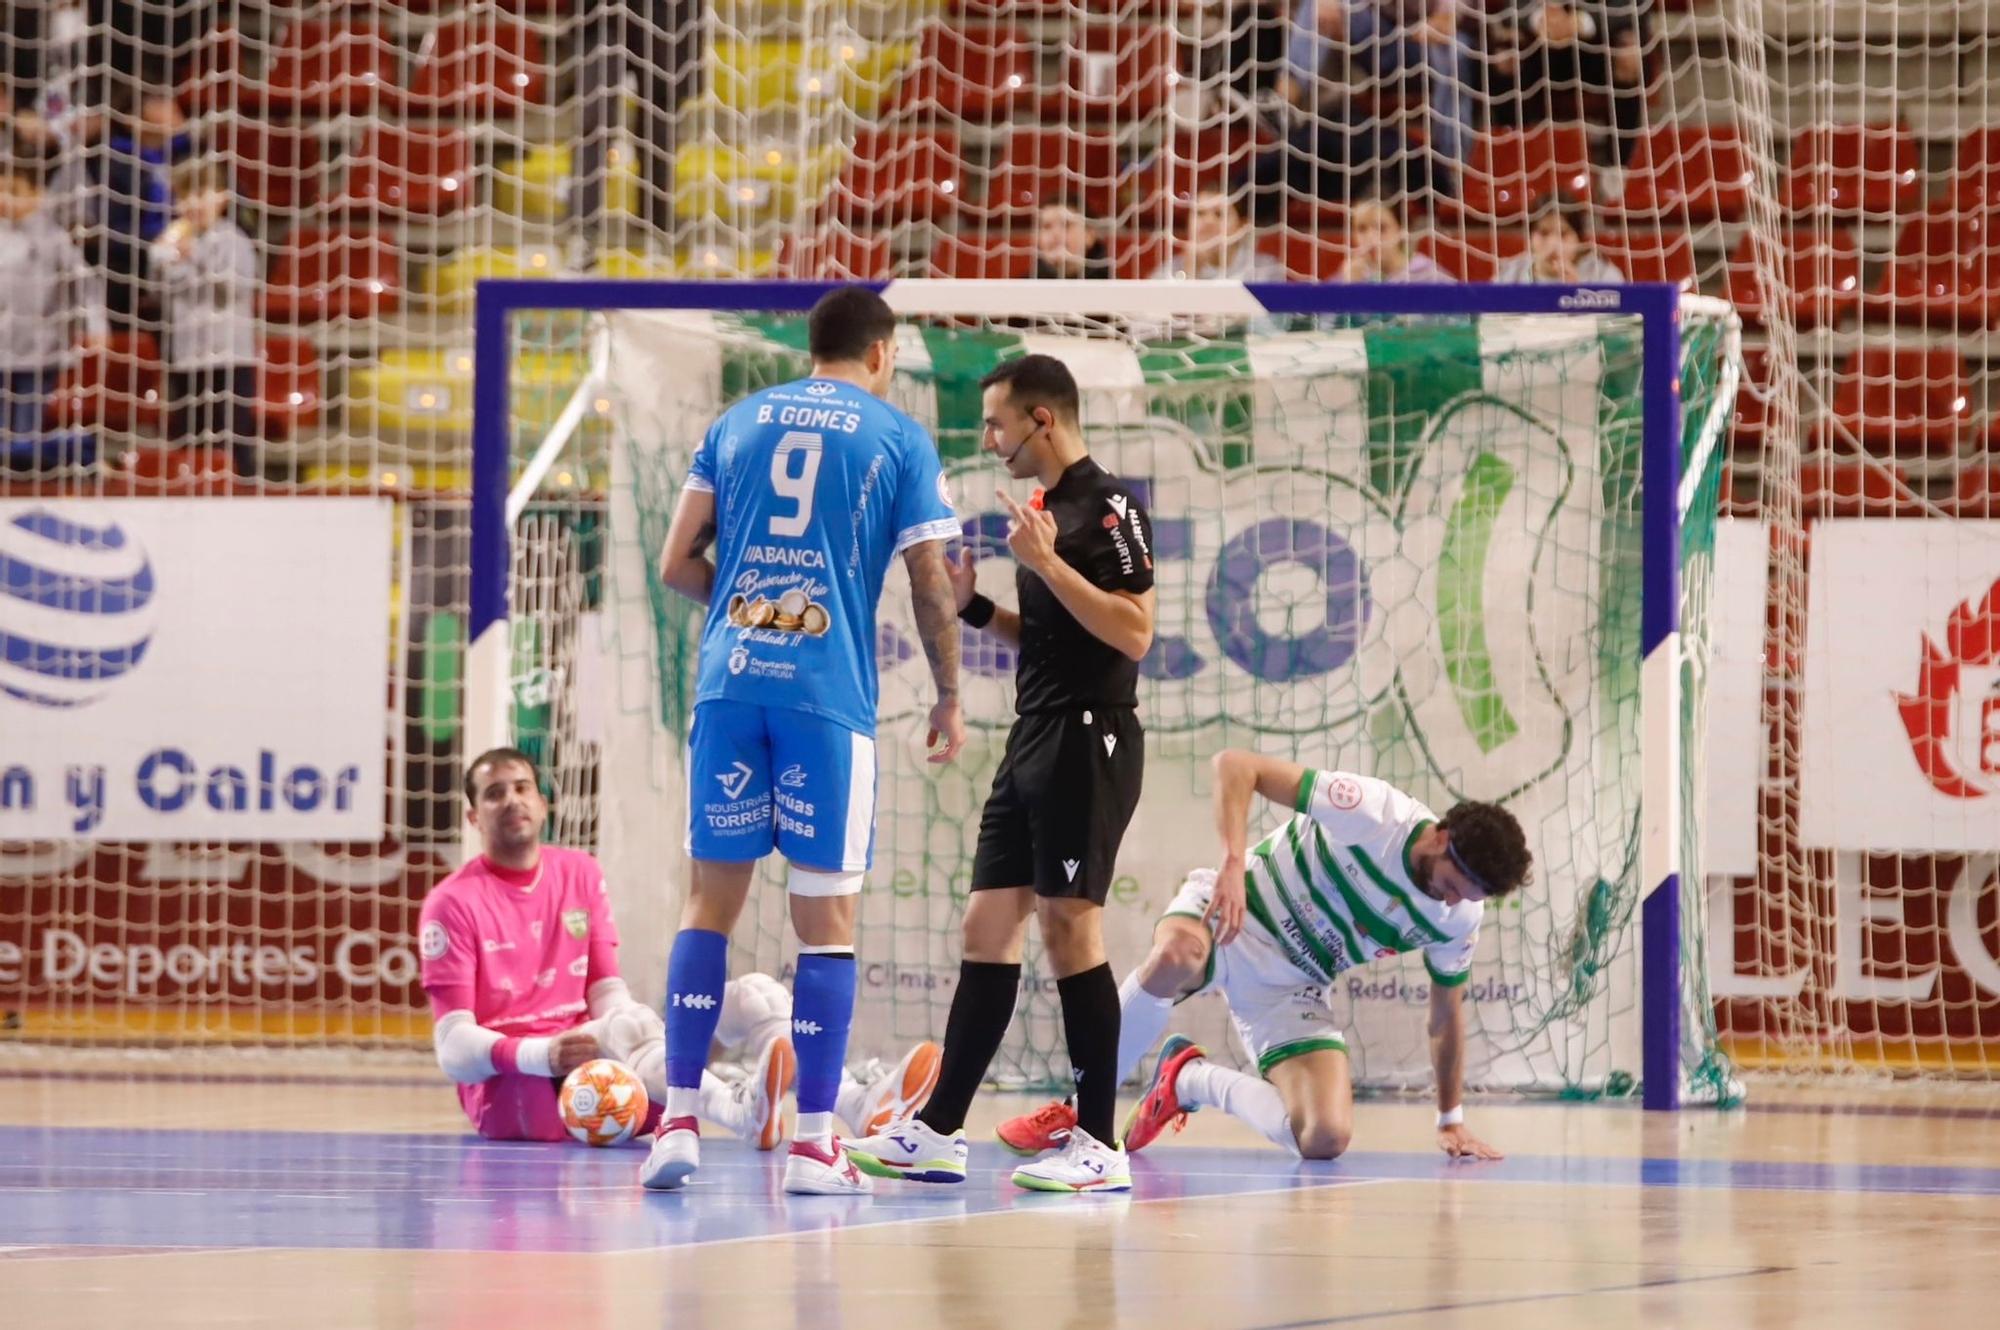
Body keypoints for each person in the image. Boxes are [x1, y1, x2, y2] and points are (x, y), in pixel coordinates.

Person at [647, 285, 965, 1195]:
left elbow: (676, 562)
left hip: (730, 685)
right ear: (881, 352)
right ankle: (817, 1146)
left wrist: (759, 618)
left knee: (708, 907)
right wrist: (949, 693)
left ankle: (675, 1123)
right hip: (825, 699)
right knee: (824, 923)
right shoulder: (896, 435)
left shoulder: (737, 421)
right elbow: (930, 581)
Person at [848, 354, 1156, 1194]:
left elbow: (1134, 634)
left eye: (997, 424)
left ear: (1042, 420)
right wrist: (975, 605)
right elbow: (1056, 639)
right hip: (1033, 737)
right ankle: (941, 1131)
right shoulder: (1046, 514)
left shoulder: (1109, 505)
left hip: (1090, 739)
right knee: (985, 929)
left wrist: (1051, 564)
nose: (990, 440)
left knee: (1068, 931)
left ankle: (1100, 1145)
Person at [998, 750, 1531, 1164]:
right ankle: (1076, 1111)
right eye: (1454, 885)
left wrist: (1450, 1118)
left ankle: (1188, 1080)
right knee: (1175, 956)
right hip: (1236, 915)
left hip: (1294, 985)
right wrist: (1233, 862)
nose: (1455, 901)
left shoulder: (1457, 919)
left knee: (1325, 1136)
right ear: (1441, 839)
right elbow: (1237, 765)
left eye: (1470, 898)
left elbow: (1444, 1016)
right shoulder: (1375, 813)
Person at [420, 748, 944, 1147]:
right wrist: (543, 1053)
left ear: (543, 801)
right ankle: (742, 1112)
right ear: (473, 817)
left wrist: (631, 1027)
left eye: (522, 788)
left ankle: (857, 1105)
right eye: (494, 794)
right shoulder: (452, 903)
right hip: (521, 1090)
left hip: (610, 1067)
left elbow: (606, 991)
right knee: (626, 1025)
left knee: (754, 995)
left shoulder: (578, 872)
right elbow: (452, 1049)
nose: (511, 800)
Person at [0, 132, 104, 468]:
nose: (5, 199)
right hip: (2, 346)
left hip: (40, 349)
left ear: (38, 195)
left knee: (27, 431)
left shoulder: (53, 236)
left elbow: (85, 282)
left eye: (14, 192)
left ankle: (23, 482)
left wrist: (96, 324)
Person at [149, 157, 259, 475]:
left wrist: (194, 256)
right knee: (189, 437)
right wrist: (159, 259)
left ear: (222, 196)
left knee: (231, 437)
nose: (193, 203)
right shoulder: (176, 240)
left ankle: (241, 489)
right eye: (185, 196)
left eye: (202, 193)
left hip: (227, 358)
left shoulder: (234, 240)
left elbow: (236, 288)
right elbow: (158, 292)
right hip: (186, 357)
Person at [1494, 196, 1624, 284]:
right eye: (1544, 233)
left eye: (1563, 234)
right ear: (1530, 237)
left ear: (1579, 239)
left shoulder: (1603, 275)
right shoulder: (1511, 274)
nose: (1553, 244)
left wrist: (1579, 297)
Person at [1332, 197, 1452, 284]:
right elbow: (1323, 318)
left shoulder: (1428, 275)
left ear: (1401, 230)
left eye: (1381, 228)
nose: (1371, 237)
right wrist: (1348, 290)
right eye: (1361, 229)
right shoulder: (1348, 275)